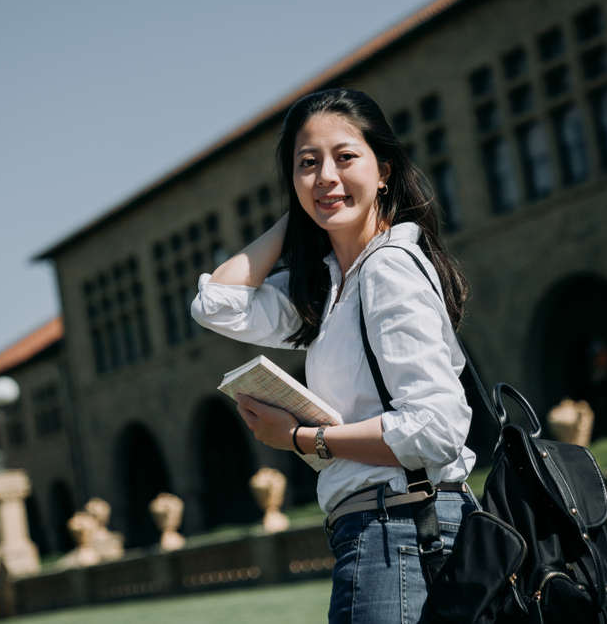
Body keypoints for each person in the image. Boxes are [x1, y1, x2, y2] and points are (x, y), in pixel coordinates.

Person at [191, 88, 478, 623]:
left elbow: (437, 430)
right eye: (307, 164)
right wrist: (303, 214)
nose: (325, 174)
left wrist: (300, 439)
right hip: (376, 532)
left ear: (384, 169)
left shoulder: (388, 269)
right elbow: (216, 305)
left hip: (401, 530)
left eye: (345, 157)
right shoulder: (329, 288)